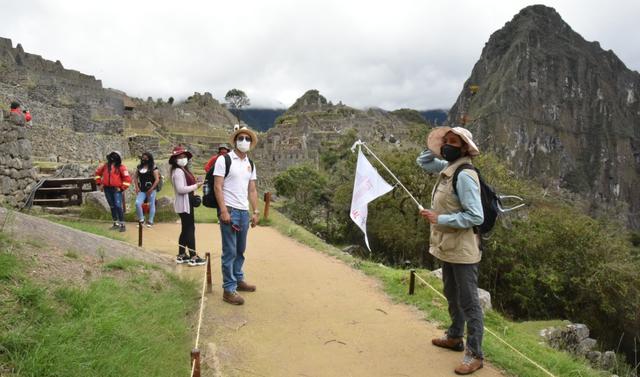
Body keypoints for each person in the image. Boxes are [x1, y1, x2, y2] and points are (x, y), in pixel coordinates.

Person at [416, 126, 485, 375]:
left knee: (468, 301)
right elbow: (422, 161)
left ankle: (475, 353)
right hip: (447, 246)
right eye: (445, 142)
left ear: (464, 148)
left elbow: (475, 215)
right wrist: (436, 146)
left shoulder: (464, 175)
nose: (447, 146)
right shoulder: (448, 168)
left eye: (452, 142)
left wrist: (439, 218)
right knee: (451, 293)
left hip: (463, 249)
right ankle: (455, 336)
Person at [213, 126, 259, 305]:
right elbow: (218, 186)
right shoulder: (224, 160)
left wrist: (255, 212)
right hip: (230, 210)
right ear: (235, 140)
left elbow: (252, 189)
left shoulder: (250, 164)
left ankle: (239, 280)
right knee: (230, 251)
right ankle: (228, 289)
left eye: (248, 139)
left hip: (243, 211)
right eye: (241, 138)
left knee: (240, 249)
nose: (244, 141)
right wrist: (223, 210)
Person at [169, 146, 206, 266]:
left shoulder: (181, 170)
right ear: (175, 159)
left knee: (185, 229)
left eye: (184, 156)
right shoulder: (179, 171)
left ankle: (181, 254)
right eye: (180, 157)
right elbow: (180, 189)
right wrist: (197, 186)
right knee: (190, 229)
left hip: (185, 202)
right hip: (185, 204)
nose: (183, 158)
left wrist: (196, 183)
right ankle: (193, 256)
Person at [95, 151, 132, 232]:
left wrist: (122, 188)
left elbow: (127, 179)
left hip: (116, 189)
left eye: (115, 156)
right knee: (112, 206)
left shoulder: (121, 167)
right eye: (112, 155)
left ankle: (122, 224)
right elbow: (97, 173)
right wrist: (99, 183)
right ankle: (115, 223)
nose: (113, 157)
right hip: (107, 189)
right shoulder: (105, 166)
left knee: (118, 206)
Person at [133, 152, 160, 228]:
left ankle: (150, 221)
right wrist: (137, 187)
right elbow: (135, 177)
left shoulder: (153, 167)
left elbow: (157, 179)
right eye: (143, 157)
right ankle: (141, 219)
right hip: (142, 190)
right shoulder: (139, 167)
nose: (144, 159)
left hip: (151, 189)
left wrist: (151, 189)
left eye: (146, 158)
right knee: (137, 203)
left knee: (151, 204)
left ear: (149, 158)